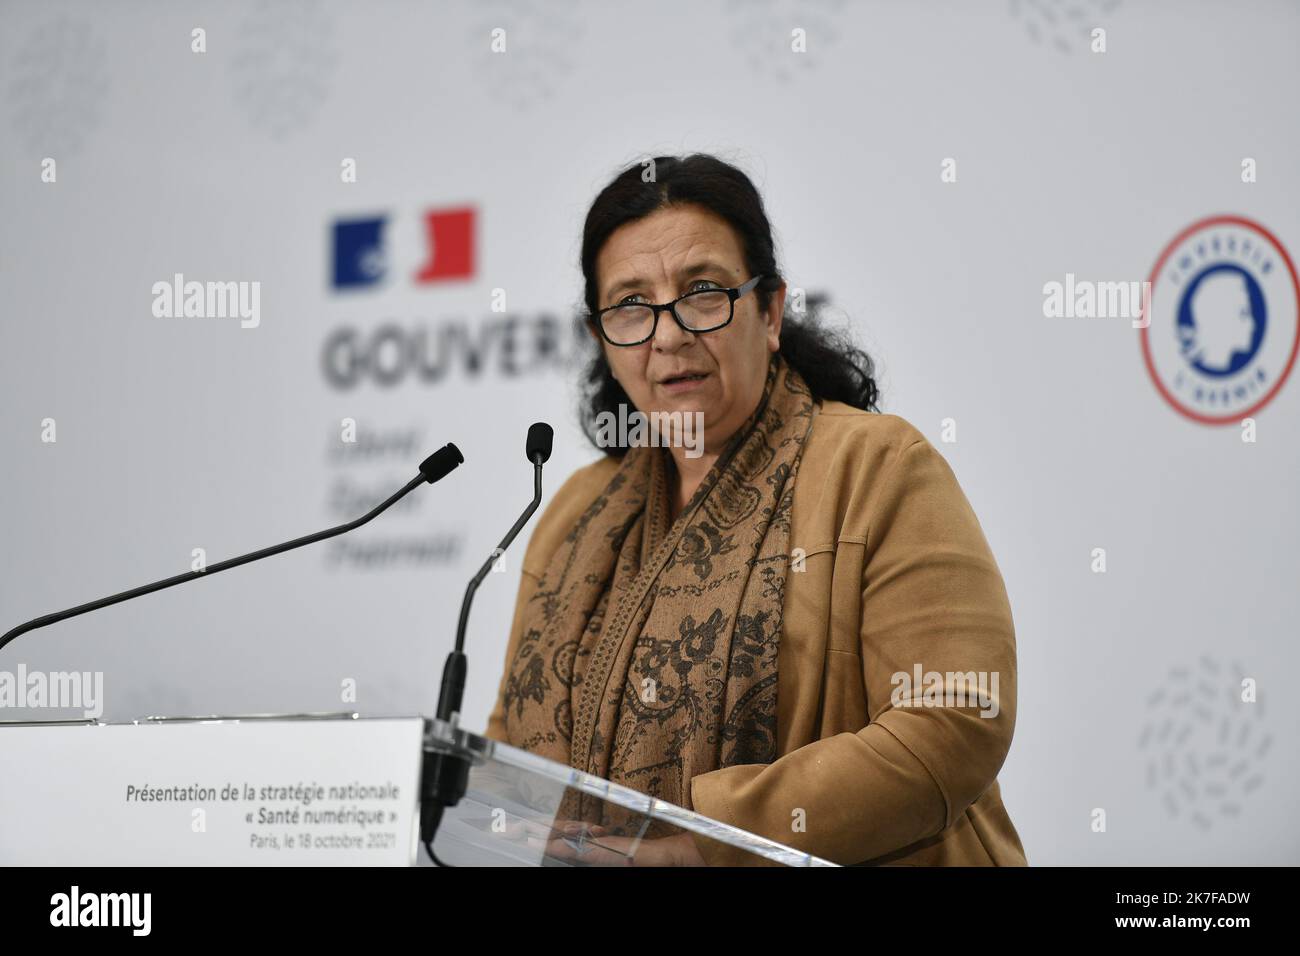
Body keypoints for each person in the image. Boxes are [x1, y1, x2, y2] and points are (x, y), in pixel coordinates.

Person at [484, 153, 1027, 866]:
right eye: (631, 305)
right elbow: (503, 753)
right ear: (602, 339)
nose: (668, 334)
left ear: (769, 312)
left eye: (703, 292)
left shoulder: (878, 467)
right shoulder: (572, 514)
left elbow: (958, 716)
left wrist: (699, 848)